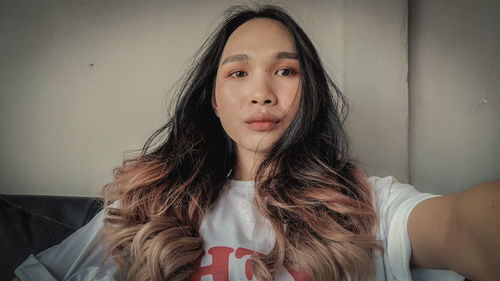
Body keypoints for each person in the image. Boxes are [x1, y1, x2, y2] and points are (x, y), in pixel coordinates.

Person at [13, 4, 499, 281]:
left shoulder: (366, 205)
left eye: (286, 71)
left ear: (309, 93)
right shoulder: (146, 207)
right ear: (215, 100)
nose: (262, 93)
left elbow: (463, 226)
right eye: (238, 72)